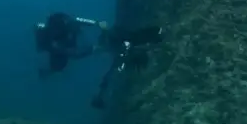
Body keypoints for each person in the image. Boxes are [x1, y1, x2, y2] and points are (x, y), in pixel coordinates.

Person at [34, 12, 164, 109]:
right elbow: (74, 53)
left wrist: (96, 25)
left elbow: (76, 23)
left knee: (129, 42)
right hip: (67, 53)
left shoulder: (63, 24)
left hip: (117, 43)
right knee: (58, 66)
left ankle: (157, 36)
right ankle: (47, 72)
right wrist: (93, 47)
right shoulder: (55, 43)